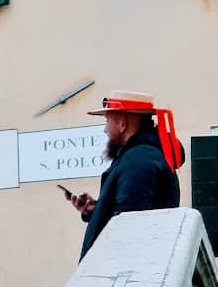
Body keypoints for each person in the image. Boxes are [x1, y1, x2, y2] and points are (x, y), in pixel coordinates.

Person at [67, 91, 184, 259]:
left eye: (108, 121)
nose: (105, 129)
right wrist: (98, 209)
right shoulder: (141, 157)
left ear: (122, 123)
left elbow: (128, 223)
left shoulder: (138, 161)